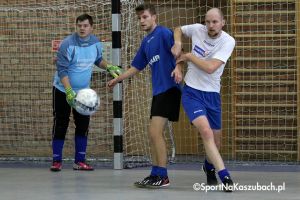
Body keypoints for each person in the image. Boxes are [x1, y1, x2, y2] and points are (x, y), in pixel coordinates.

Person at [108, 4, 182, 188]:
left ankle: (163, 176)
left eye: (145, 17)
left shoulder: (164, 33)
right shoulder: (146, 42)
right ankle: (155, 173)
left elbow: (179, 53)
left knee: (155, 132)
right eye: (139, 18)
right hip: (159, 91)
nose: (142, 21)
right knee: (152, 133)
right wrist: (117, 79)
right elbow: (136, 67)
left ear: (154, 17)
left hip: (170, 88)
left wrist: (178, 67)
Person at [171, 8, 235, 192]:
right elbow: (178, 28)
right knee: (206, 132)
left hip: (212, 95)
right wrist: (177, 42)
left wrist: (189, 56)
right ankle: (225, 176)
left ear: (223, 22)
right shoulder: (198, 29)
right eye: (208, 21)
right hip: (192, 92)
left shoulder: (228, 41)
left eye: (215, 22)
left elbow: (210, 68)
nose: (210, 26)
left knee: (216, 142)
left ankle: (208, 167)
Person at [50, 14, 122, 172]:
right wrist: (68, 91)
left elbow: (98, 60)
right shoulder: (67, 44)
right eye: (79, 25)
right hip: (63, 90)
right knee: (61, 123)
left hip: (84, 93)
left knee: (83, 125)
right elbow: (61, 70)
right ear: (76, 27)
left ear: (91, 27)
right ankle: (56, 161)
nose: (82, 28)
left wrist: (109, 66)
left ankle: (79, 161)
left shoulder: (96, 42)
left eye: (85, 26)